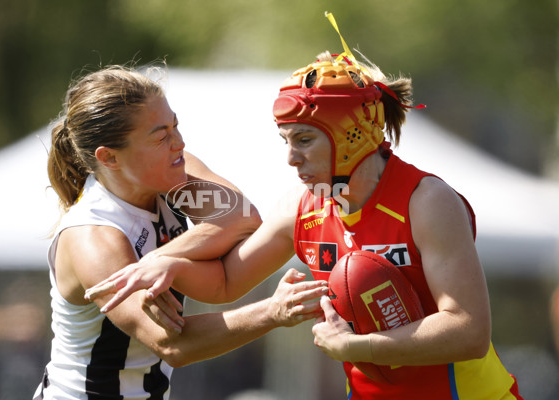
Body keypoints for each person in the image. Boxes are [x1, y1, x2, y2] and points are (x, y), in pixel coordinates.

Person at [85, 18, 523, 400]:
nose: (291, 158)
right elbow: (224, 282)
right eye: (286, 141)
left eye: (305, 140)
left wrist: (359, 348)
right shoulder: (304, 207)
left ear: (352, 133)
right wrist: (165, 263)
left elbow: (468, 330)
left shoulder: (426, 201)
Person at [32, 65, 329, 400]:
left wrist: (159, 260)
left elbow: (243, 219)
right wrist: (272, 311)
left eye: (175, 126)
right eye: (161, 137)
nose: (179, 143)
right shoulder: (94, 235)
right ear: (109, 158)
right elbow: (172, 342)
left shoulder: (172, 178)